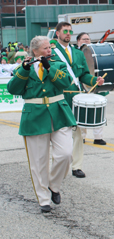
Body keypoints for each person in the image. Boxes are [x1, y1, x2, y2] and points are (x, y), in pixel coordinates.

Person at [7, 36, 76, 213]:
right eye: (45, 48)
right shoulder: (24, 67)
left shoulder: (57, 64)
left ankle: (54, 185)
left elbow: (65, 82)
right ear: (35, 51)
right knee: (38, 161)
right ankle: (43, 198)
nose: (49, 51)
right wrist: (23, 69)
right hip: (34, 116)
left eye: (49, 47)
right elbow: (13, 89)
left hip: (58, 112)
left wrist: (48, 66)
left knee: (65, 153)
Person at [52, 22, 105, 179]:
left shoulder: (78, 53)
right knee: (58, 133)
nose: (68, 34)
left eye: (70, 31)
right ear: (58, 34)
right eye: (65, 31)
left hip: (75, 96)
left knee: (77, 132)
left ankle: (77, 166)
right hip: (59, 96)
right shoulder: (52, 52)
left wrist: (95, 79)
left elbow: (83, 76)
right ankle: (59, 164)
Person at [76, 32, 107, 146]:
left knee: (98, 111)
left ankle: (98, 137)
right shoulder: (76, 53)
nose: (86, 41)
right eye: (84, 39)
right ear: (78, 41)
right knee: (82, 111)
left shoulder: (94, 51)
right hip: (82, 85)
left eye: (88, 39)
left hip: (94, 84)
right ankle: (82, 136)